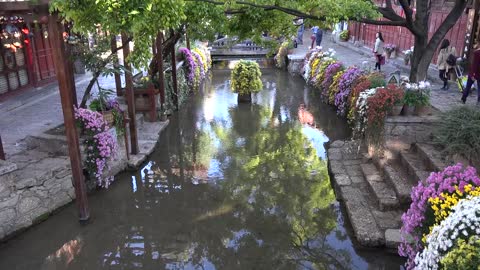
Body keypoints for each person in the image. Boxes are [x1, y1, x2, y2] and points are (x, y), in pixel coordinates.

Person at [461, 39, 480, 104]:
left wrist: (473, 74)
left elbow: (475, 64)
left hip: (474, 72)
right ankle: (478, 101)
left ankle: (463, 99)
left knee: (468, 86)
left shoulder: (477, 53)